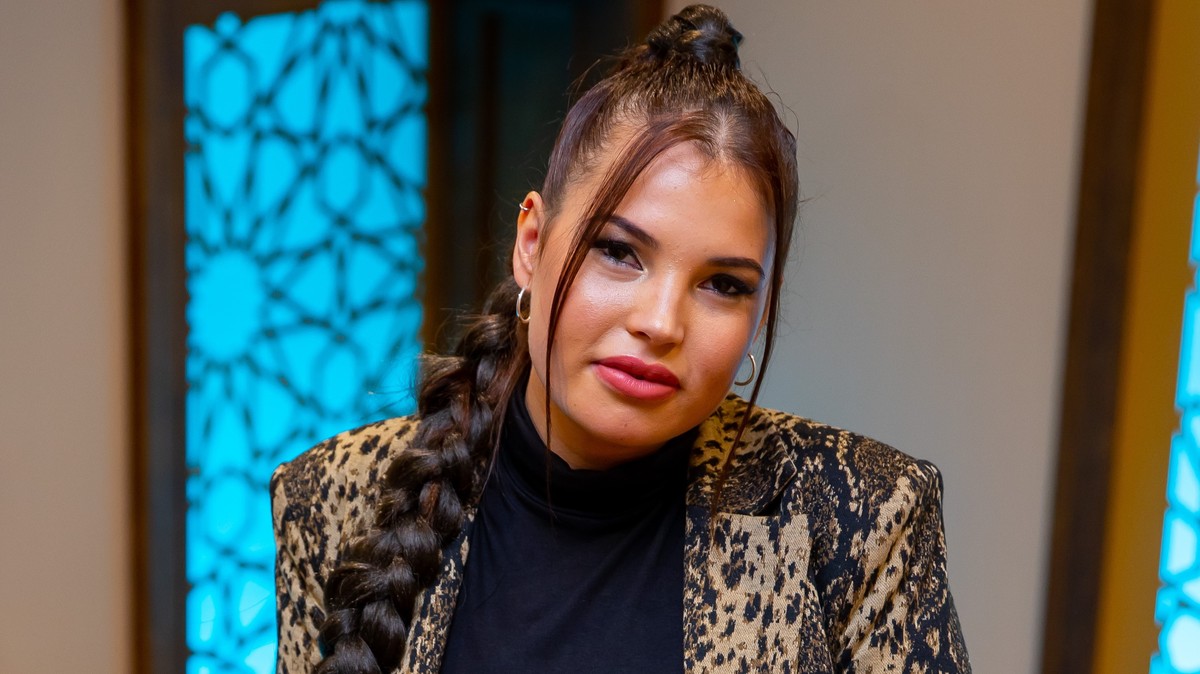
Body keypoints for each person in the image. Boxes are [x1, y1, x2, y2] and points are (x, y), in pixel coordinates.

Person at [271, 5, 970, 673]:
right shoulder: (334, 499)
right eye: (618, 252)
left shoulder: (859, 517)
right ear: (531, 245)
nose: (661, 323)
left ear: (760, 310)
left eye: (723, 284)